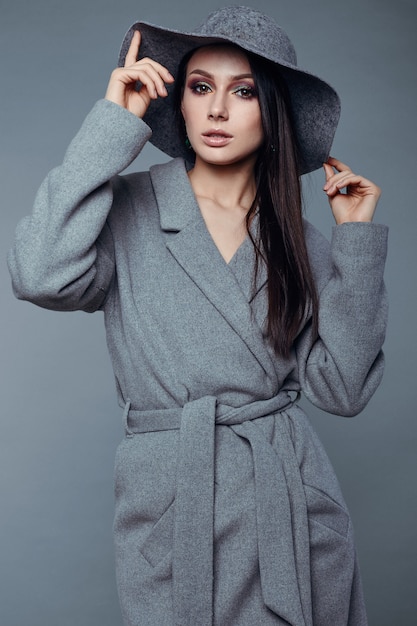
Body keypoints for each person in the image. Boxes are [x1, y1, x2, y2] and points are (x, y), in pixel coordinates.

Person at [8, 6, 387, 626]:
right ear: (177, 102)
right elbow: (39, 274)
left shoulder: (301, 240)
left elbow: (342, 391)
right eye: (200, 87)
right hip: (173, 499)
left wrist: (357, 246)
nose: (217, 111)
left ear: (274, 111)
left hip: (289, 504)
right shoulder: (125, 209)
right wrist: (111, 125)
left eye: (242, 93)